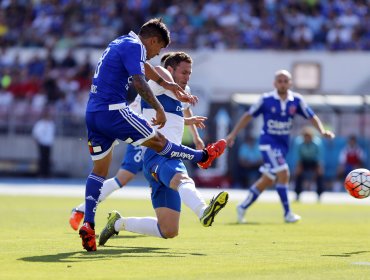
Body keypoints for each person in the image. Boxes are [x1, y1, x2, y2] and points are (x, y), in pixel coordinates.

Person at [79, 18, 226, 251]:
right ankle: (202, 158)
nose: (157, 54)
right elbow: (140, 78)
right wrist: (158, 107)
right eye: (159, 49)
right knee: (159, 142)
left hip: (93, 112)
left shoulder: (121, 42)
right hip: (114, 111)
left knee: (99, 172)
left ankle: (89, 222)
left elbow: (146, 69)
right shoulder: (136, 46)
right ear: (153, 40)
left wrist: (170, 88)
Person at [69, 53, 206, 231]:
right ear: (169, 71)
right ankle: (82, 209)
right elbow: (158, 79)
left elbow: (181, 114)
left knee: (130, 180)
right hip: (140, 136)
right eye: (184, 72)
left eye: (189, 73)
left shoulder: (180, 90)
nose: (187, 77)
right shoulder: (159, 83)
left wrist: (195, 136)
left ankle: (107, 218)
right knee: (123, 178)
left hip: (151, 136)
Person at [226, 69, 335, 224]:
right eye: (280, 80)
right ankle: (287, 213)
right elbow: (248, 115)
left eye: (285, 81)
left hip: (283, 146)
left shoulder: (296, 100)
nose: (283, 83)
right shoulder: (265, 99)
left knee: (267, 180)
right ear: (274, 83)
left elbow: (311, 116)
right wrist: (233, 134)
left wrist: (322, 131)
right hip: (268, 143)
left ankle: (242, 206)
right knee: (284, 173)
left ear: (290, 83)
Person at [294, 126, 324, 201]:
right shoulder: (299, 143)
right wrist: (298, 166)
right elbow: (298, 156)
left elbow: (319, 156)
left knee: (320, 174)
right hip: (303, 161)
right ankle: (297, 193)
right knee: (298, 174)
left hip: (314, 161)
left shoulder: (317, 143)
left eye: (308, 137)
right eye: (305, 137)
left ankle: (319, 194)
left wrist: (319, 167)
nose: (307, 139)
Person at [31, 108, 56, 177]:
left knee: (47, 159)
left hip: (48, 143)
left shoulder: (51, 124)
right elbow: (36, 133)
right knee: (42, 159)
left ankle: (47, 173)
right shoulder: (40, 123)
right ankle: (41, 173)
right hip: (42, 143)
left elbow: (51, 134)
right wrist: (37, 141)